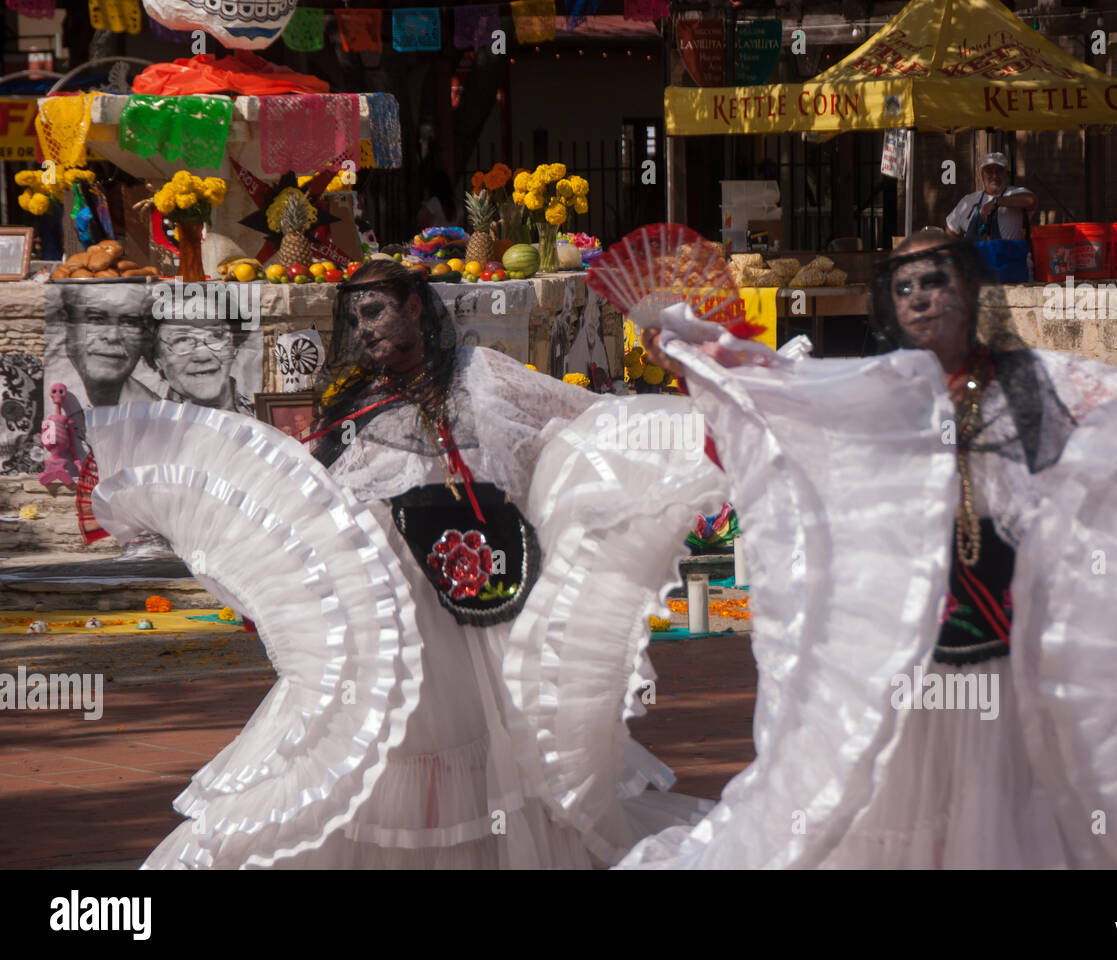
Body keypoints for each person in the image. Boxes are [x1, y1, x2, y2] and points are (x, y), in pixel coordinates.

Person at [623, 231, 1117, 869]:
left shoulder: (1040, 383)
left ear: (972, 290)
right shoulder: (871, 394)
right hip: (910, 672)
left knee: (1011, 825)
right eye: (905, 285)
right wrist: (693, 361)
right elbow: (768, 408)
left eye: (936, 279)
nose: (920, 296)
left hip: (1006, 672)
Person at [84, 259, 726, 868]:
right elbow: (315, 501)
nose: (364, 329)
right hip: (387, 611)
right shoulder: (354, 402)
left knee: (498, 743)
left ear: (416, 307)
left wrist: (698, 421)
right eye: (355, 319)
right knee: (381, 741)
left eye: (376, 311)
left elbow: (582, 421)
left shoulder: (484, 374)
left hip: (480, 601)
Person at [56, 284, 159, 409]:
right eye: (96, 319)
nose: (113, 336)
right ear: (65, 324)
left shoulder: (153, 408)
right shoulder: (39, 396)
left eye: (129, 322)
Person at [148, 317, 254, 415]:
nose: (203, 356)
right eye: (182, 340)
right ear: (157, 359)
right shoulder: (144, 426)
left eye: (216, 336)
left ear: (234, 347)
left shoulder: (264, 416)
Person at [944, 152, 1038, 243]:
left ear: (1006, 173)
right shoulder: (968, 200)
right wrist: (958, 252)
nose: (994, 175)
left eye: (999, 170)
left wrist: (995, 202)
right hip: (977, 258)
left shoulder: (1016, 193)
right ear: (982, 174)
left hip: (1008, 257)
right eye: (989, 171)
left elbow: (1030, 200)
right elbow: (951, 229)